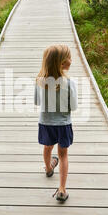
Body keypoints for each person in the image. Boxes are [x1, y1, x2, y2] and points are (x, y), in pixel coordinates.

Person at [34, 44, 78, 202]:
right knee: (63, 155)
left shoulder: (40, 81)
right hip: (63, 124)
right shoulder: (70, 83)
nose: (72, 61)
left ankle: (48, 169)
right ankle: (62, 189)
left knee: (47, 148)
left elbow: (37, 102)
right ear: (61, 63)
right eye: (69, 58)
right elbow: (73, 106)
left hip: (46, 123)